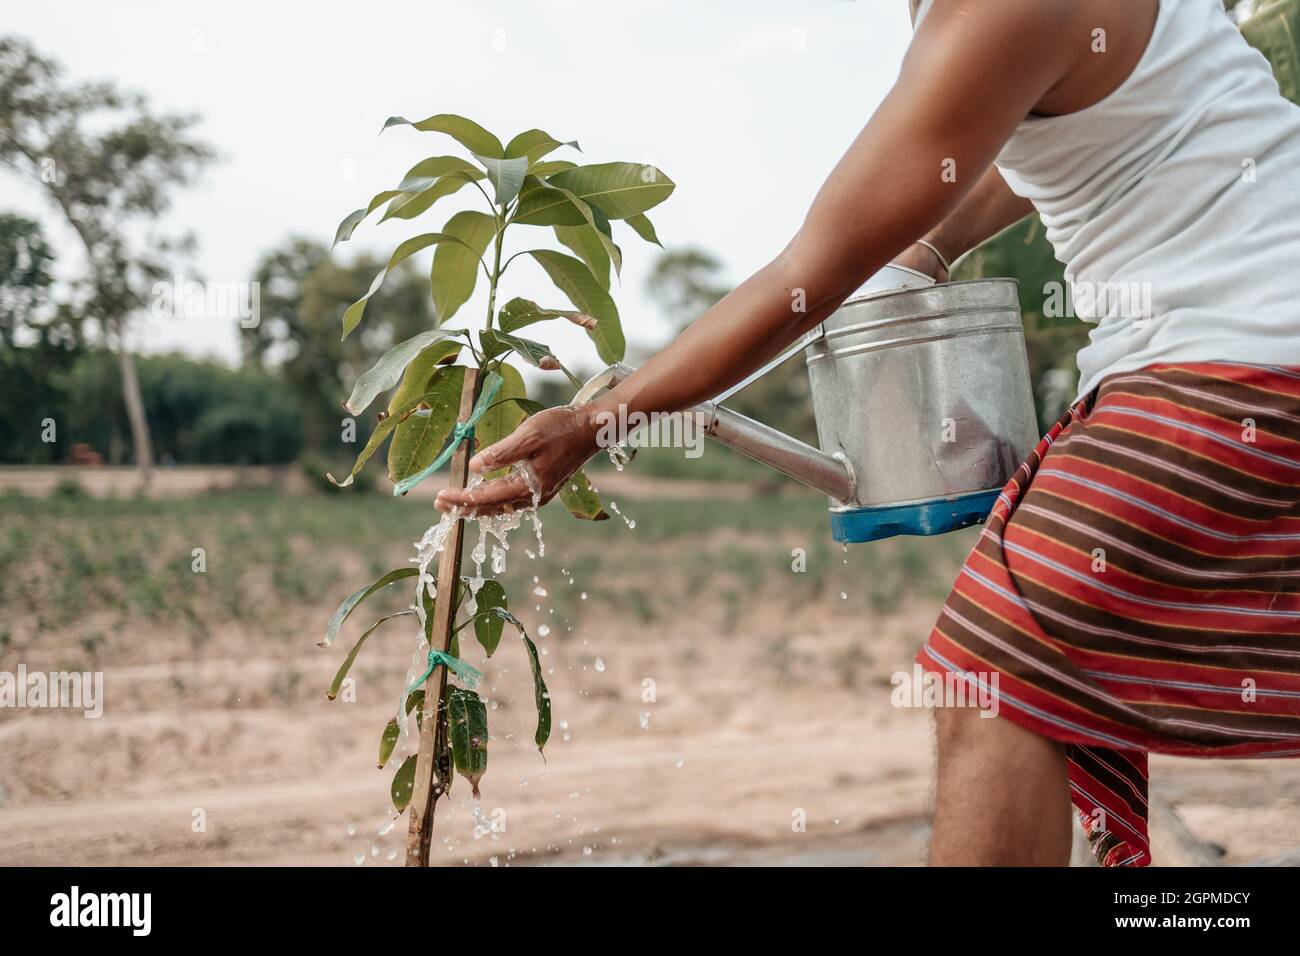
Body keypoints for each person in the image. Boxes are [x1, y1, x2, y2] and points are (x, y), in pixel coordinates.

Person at [437, 0, 1300, 866]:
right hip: (1251, 356)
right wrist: (929, 248)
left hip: (1227, 370)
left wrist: (595, 423)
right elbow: (1044, 126)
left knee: (993, 679)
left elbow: (808, 272)